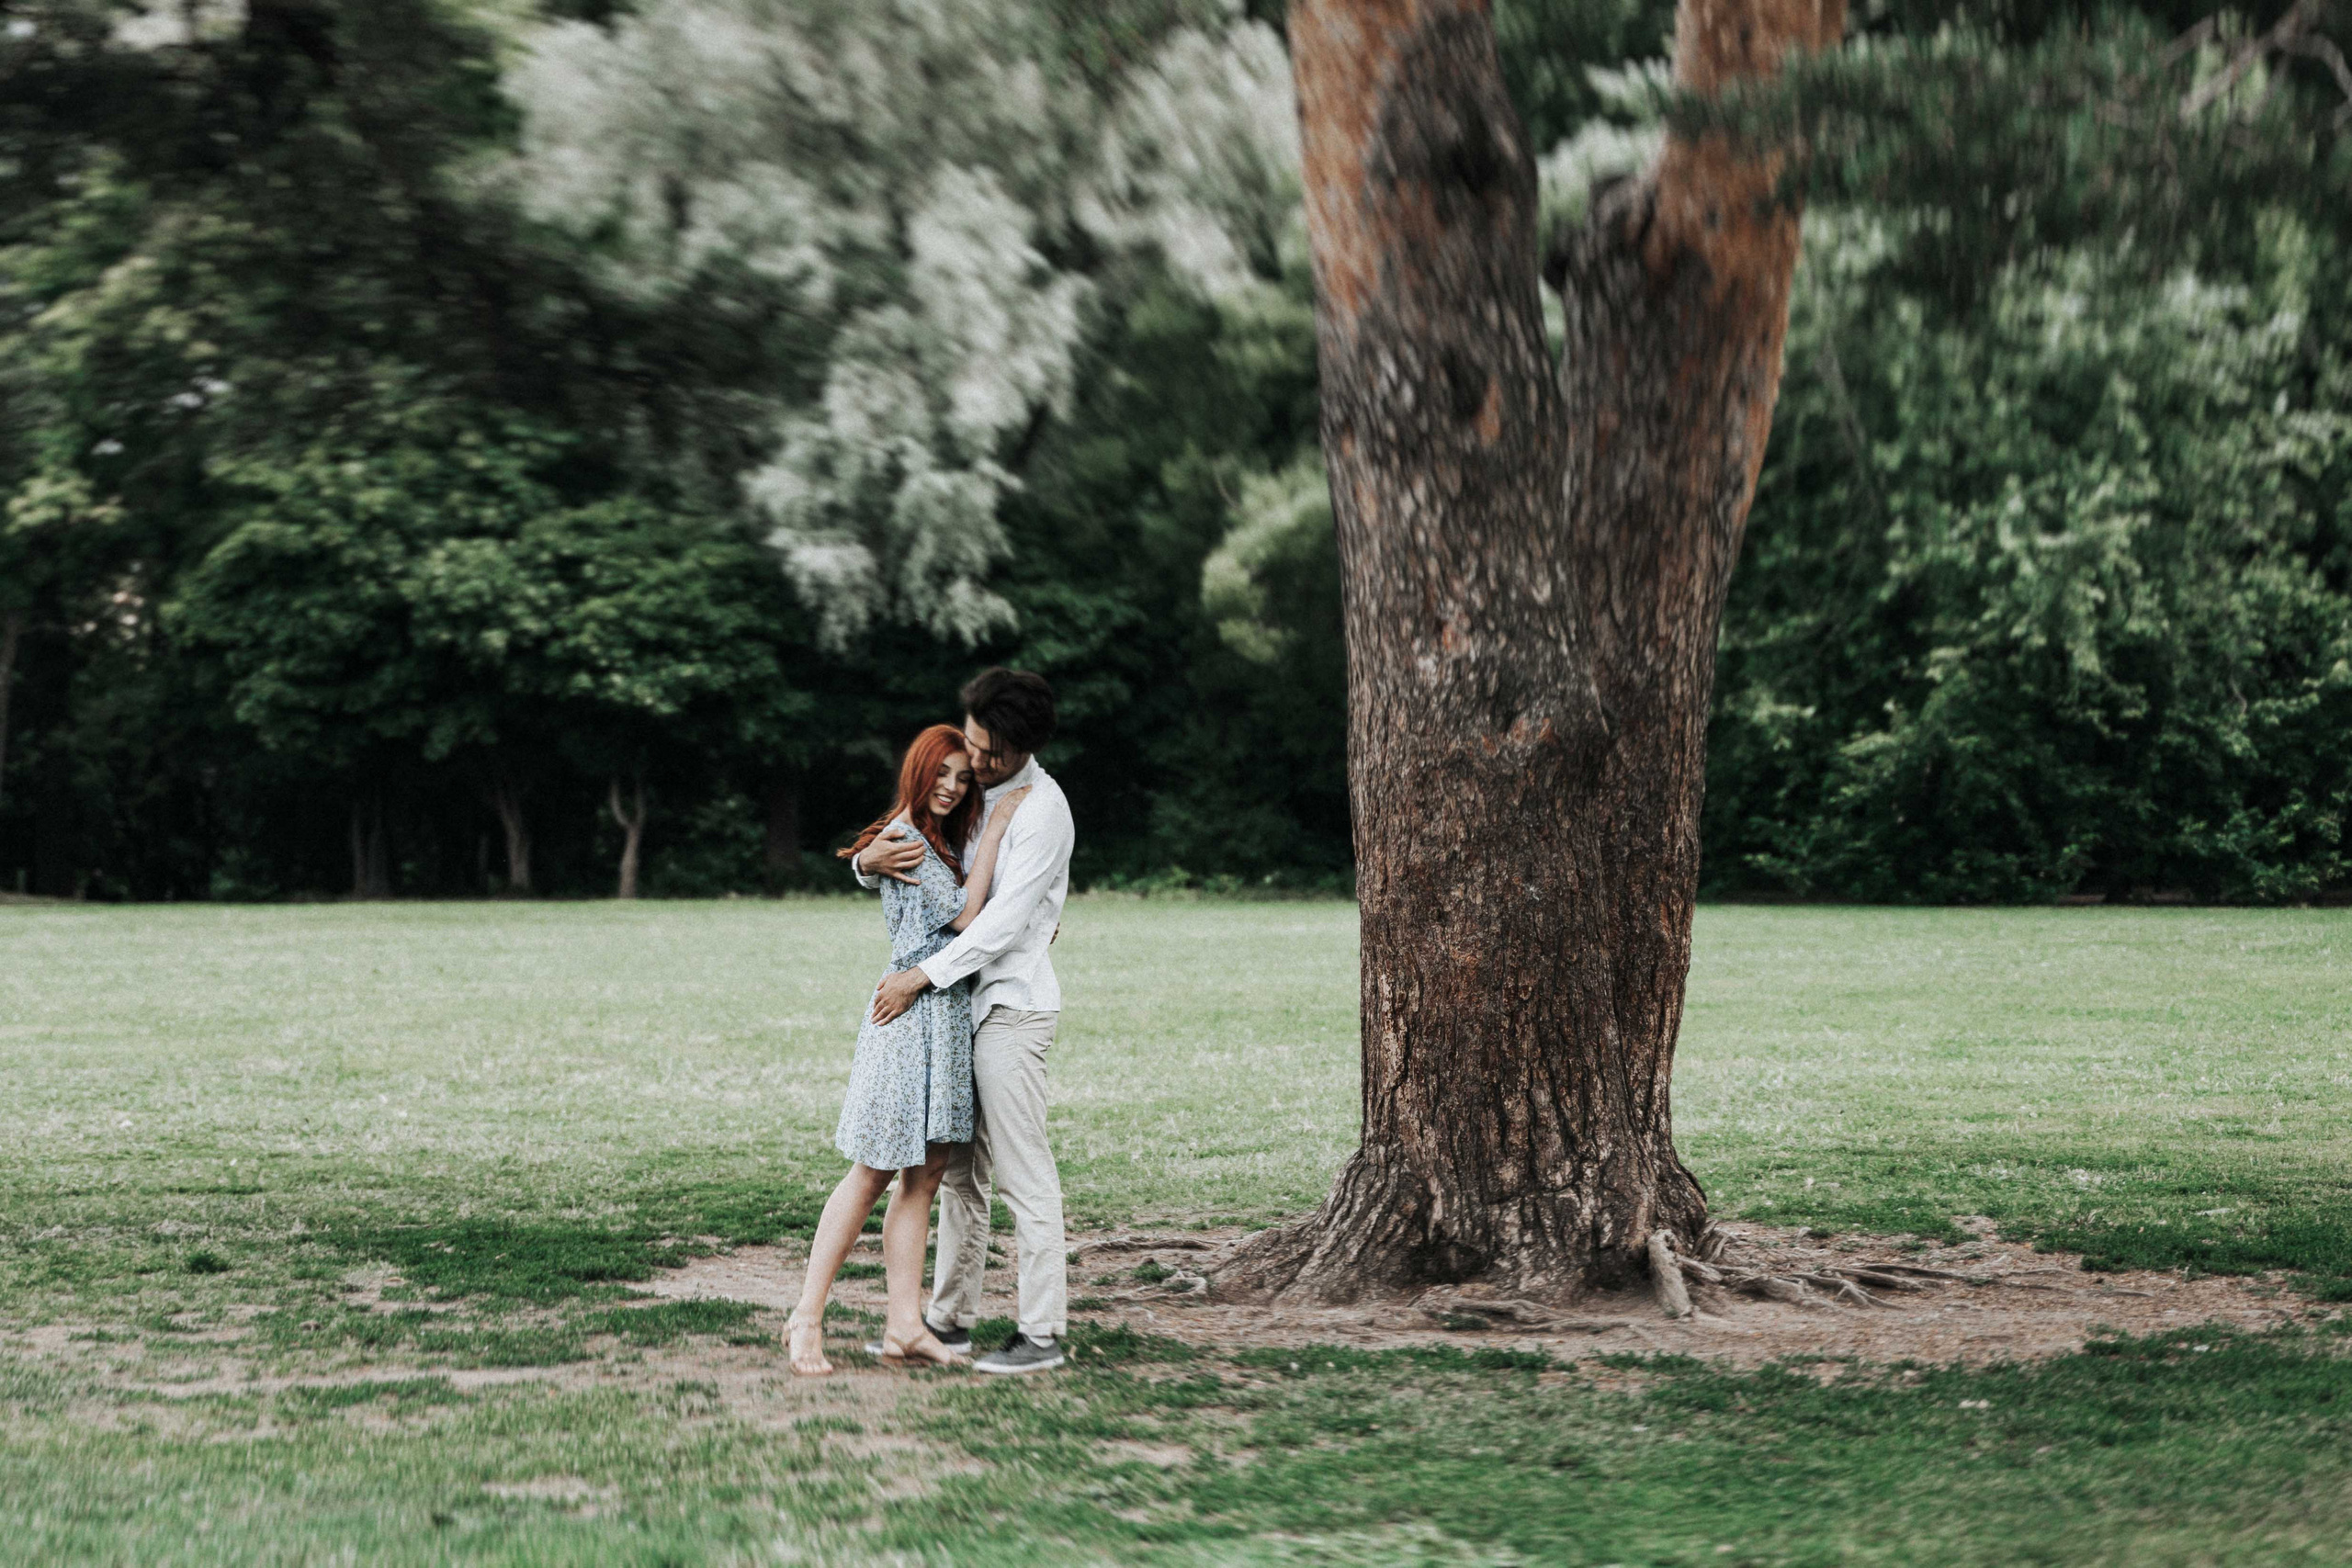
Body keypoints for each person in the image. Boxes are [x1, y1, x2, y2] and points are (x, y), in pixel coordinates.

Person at [784, 724, 1030, 1377]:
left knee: (924, 1176)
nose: (952, 787)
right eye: (941, 774)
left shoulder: (933, 838)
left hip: (944, 1018)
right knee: (873, 1171)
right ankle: (806, 1316)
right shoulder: (908, 838)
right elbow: (965, 916)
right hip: (909, 1014)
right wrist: (1002, 825)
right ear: (918, 774)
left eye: (962, 777)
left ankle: (903, 1324)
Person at [855, 668, 1075, 1376]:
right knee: (959, 1178)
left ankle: (1042, 1332)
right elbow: (917, 844)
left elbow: (1004, 924)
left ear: (1021, 746)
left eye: (988, 752)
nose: (975, 762)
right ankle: (946, 1321)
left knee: (1021, 1173)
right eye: (973, 744)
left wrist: (921, 975)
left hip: (1009, 1008)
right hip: (961, 1013)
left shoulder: (1043, 810)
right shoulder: (978, 788)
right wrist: (864, 861)